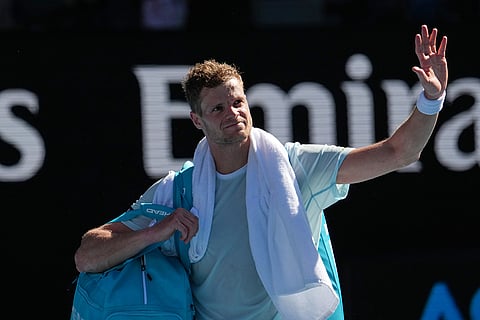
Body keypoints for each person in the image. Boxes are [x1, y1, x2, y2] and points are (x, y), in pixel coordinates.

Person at [74, 24, 448, 319]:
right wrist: (158, 230)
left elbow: (400, 152)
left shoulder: (297, 166)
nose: (232, 113)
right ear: (196, 121)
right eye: (217, 109)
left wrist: (431, 100)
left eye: (237, 102)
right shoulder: (176, 192)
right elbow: (88, 256)